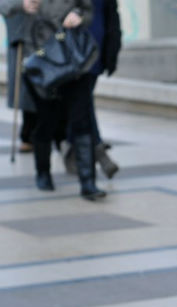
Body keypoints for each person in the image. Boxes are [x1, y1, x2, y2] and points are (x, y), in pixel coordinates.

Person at [1, 0, 106, 200]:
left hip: (73, 57)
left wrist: (78, 16)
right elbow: (4, 6)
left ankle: (88, 182)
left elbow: (88, 10)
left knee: (81, 119)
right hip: (41, 59)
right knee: (47, 120)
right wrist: (21, 5)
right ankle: (43, 172)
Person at [62, 0, 122, 180]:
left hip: (96, 48)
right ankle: (98, 151)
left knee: (82, 102)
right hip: (72, 49)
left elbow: (111, 15)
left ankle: (72, 148)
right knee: (82, 102)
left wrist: (112, 48)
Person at [3, 10, 36, 153]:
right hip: (21, 41)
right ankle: (27, 136)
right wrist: (22, 4)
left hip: (43, 40)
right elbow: (5, 6)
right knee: (25, 92)